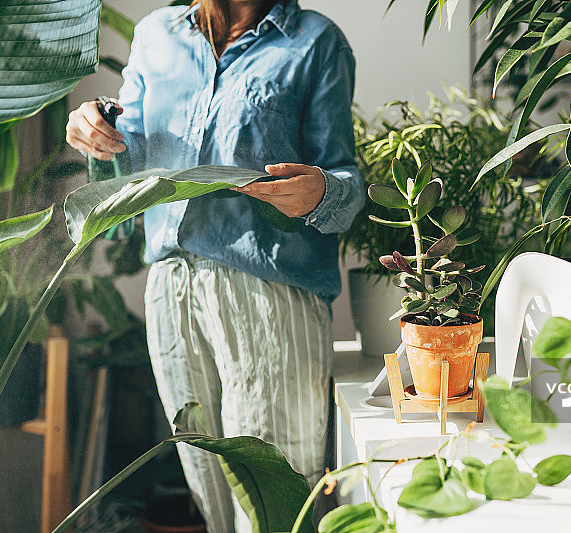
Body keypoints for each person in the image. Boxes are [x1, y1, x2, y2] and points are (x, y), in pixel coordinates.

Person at [65, 1, 364, 531]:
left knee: (278, 506)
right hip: (171, 293)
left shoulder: (316, 41)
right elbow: (123, 177)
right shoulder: (156, 34)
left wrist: (322, 190)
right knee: (211, 496)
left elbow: (343, 180)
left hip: (269, 294)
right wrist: (95, 130)